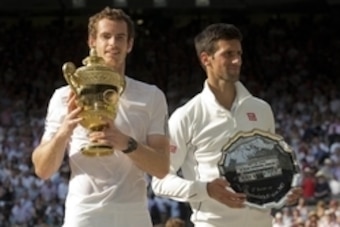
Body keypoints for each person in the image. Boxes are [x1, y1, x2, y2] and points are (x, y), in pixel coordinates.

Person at [152, 23, 301, 227]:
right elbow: (160, 181)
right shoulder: (186, 116)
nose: (237, 60)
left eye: (239, 53)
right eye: (228, 54)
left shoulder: (261, 109)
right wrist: (206, 189)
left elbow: (270, 169)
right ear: (206, 59)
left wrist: (285, 189)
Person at [31, 7, 170, 227]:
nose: (113, 43)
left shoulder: (151, 96)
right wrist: (65, 130)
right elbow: (42, 169)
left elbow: (162, 167)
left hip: (133, 214)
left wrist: (124, 142)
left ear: (130, 44)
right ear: (92, 42)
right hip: (83, 214)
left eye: (120, 37)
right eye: (106, 36)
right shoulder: (65, 95)